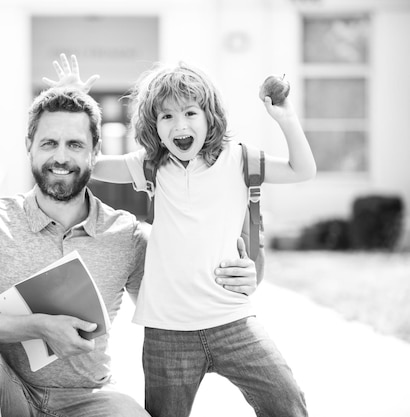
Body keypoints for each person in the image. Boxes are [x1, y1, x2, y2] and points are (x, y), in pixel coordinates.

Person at [0, 84, 260, 416]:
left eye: (75, 144)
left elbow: (186, 298)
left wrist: (241, 276)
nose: (61, 157)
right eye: (49, 143)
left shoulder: (126, 235)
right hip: (7, 393)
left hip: (88, 399)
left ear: (95, 151)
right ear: (29, 146)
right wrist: (39, 326)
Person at [45, 54, 316, 417]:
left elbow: (303, 170)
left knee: (287, 403)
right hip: (167, 334)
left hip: (232, 320)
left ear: (209, 117)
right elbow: (88, 164)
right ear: (153, 125)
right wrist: (77, 107)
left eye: (190, 112)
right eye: (166, 116)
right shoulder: (152, 167)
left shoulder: (239, 160)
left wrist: (286, 118)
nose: (179, 124)